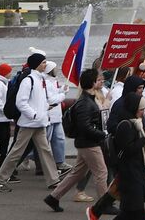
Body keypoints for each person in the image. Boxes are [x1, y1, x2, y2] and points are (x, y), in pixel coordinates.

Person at [0, 54, 61, 192]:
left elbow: (40, 102)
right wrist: (34, 115)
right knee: (17, 152)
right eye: (43, 62)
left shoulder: (39, 79)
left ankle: (53, 180)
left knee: (45, 151)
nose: (45, 65)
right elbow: (21, 102)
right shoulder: (29, 80)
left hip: (38, 122)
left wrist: (42, 111)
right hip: (29, 123)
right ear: (36, 64)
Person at [45, 68, 110, 212]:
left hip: (85, 143)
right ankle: (104, 205)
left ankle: (53, 197)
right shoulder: (85, 103)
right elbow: (84, 126)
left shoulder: (87, 99)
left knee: (77, 173)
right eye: (98, 80)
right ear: (92, 83)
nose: (102, 81)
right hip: (89, 143)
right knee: (101, 172)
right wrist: (102, 134)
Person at [98, 92, 145, 220]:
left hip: (135, 170)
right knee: (134, 207)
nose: (143, 112)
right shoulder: (126, 126)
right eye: (141, 109)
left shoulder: (135, 123)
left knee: (136, 207)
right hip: (129, 171)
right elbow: (128, 149)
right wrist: (144, 139)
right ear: (134, 108)